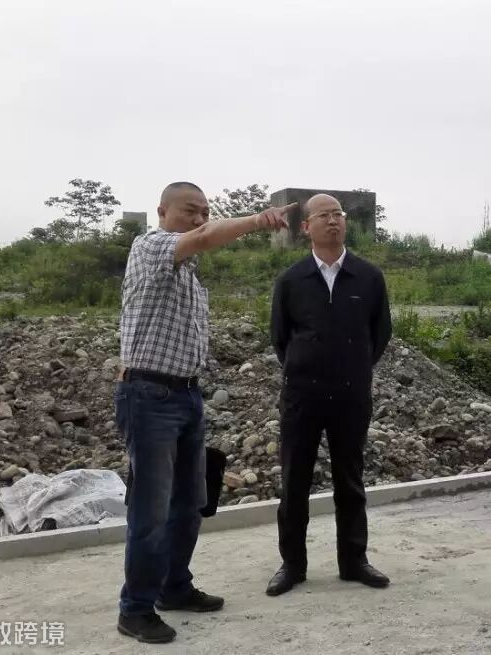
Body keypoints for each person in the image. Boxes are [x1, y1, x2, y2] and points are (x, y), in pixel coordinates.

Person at [115, 182, 290, 644]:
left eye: (204, 213)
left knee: (189, 503)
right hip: (149, 396)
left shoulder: (189, 275)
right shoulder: (150, 247)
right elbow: (204, 237)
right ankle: (135, 608)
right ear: (162, 212)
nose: (198, 220)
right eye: (189, 211)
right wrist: (258, 220)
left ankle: (174, 586)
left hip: (187, 396)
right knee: (151, 510)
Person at [266, 194, 393, 597]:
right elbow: (280, 338)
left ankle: (354, 560)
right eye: (324, 215)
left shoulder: (368, 277)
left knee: (350, 479)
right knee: (295, 480)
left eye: (338, 214)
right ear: (306, 227)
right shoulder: (291, 280)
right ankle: (292, 565)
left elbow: (381, 333)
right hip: (302, 395)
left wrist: (353, 367)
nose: (333, 220)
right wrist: (307, 367)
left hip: (351, 394)